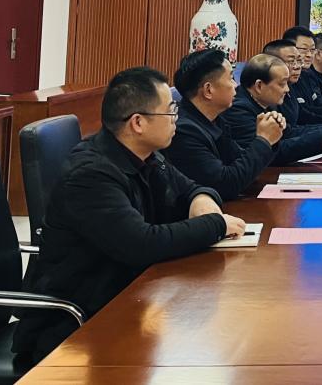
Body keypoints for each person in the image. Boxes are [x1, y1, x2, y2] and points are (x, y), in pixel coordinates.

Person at [13, 67, 245, 362]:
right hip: (74, 330)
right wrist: (215, 224)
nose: (176, 118)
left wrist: (202, 199)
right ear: (138, 123)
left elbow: (191, 188)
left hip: (130, 299)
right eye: (170, 111)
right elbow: (142, 244)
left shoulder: (146, 155)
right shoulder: (91, 175)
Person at [162, 49, 284, 200]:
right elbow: (225, 184)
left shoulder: (216, 119)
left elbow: (239, 161)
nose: (236, 85)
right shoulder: (183, 131)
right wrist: (263, 140)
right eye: (231, 78)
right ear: (208, 90)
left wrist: (270, 137)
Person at [225, 54, 322, 164]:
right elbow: (271, 153)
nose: (287, 89)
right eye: (282, 84)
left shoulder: (264, 102)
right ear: (259, 86)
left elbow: (288, 132)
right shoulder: (238, 110)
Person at [264, 38, 322, 126]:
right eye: (291, 61)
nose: (297, 66)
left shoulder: (301, 78)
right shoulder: (269, 93)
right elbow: (288, 131)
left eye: (299, 61)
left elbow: (302, 114)